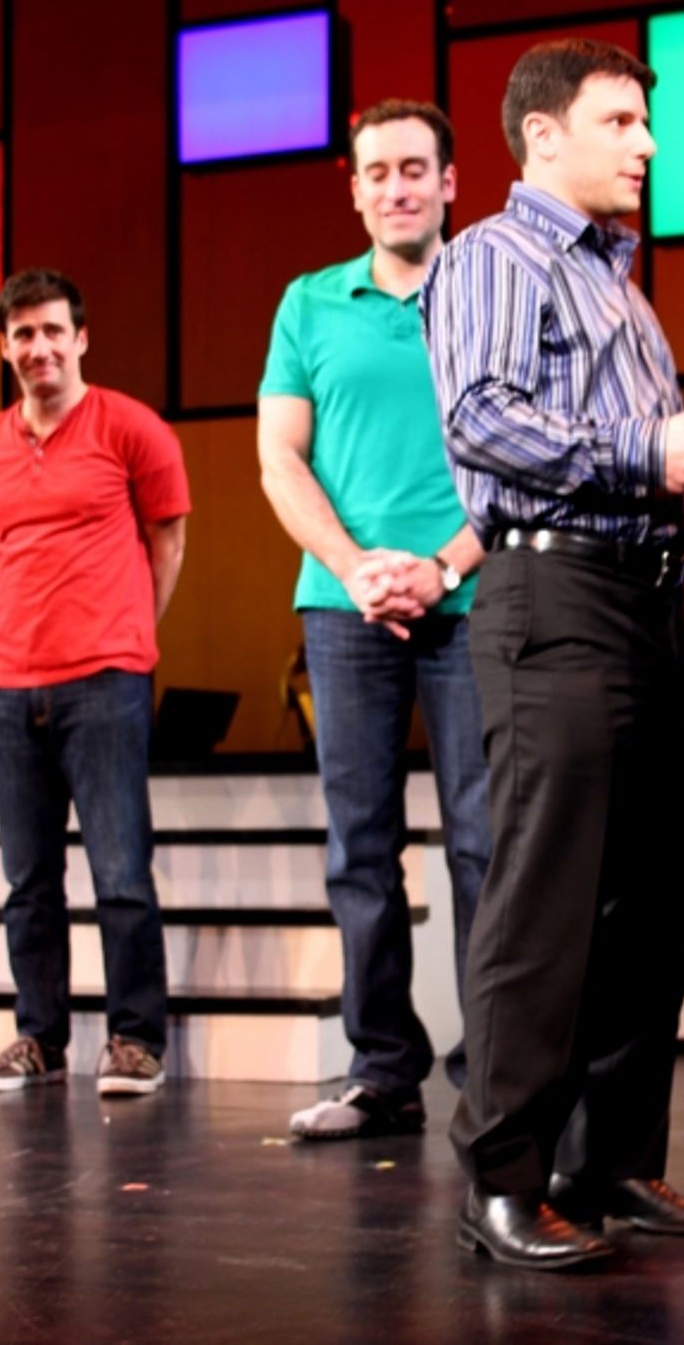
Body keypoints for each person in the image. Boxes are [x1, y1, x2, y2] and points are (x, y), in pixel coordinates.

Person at [422, 38, 684, 1270]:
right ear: (542, 136)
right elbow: (485, 416)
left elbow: (626, 445)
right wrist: (645, 454)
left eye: (645, 123)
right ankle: (501, 1177)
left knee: (649, 905)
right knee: (545, 900)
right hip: (552, 598)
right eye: (621, 120)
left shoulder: (622, 282)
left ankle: (608, 1162)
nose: (647, 144)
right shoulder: (496, 257)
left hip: (653, 601)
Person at [258, 99, 490, 1141]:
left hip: (475, 595)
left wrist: (441, 568)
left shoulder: (489, 294)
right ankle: (382, 1069)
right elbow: (279, 458)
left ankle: (497, 1064)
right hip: (344, 608)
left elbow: (524, 458)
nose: (395, 186)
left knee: (487, 842)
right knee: (362, 843)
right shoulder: (309, 303)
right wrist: (357, 569)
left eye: (414, 168)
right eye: (376, 171)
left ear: (450, 182)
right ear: (353, 189)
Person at [0, 267, 191, 1096]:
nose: (39, 346)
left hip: (107, 681)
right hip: (8, 685)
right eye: (23, 334)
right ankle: (39, 1037)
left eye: (54, 330)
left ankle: (134, 1040)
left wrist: (126, 634)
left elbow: (168, 541)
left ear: (81, 337)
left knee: (121, 870)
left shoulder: (131, 427)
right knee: (28, 879)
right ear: (5, 347)